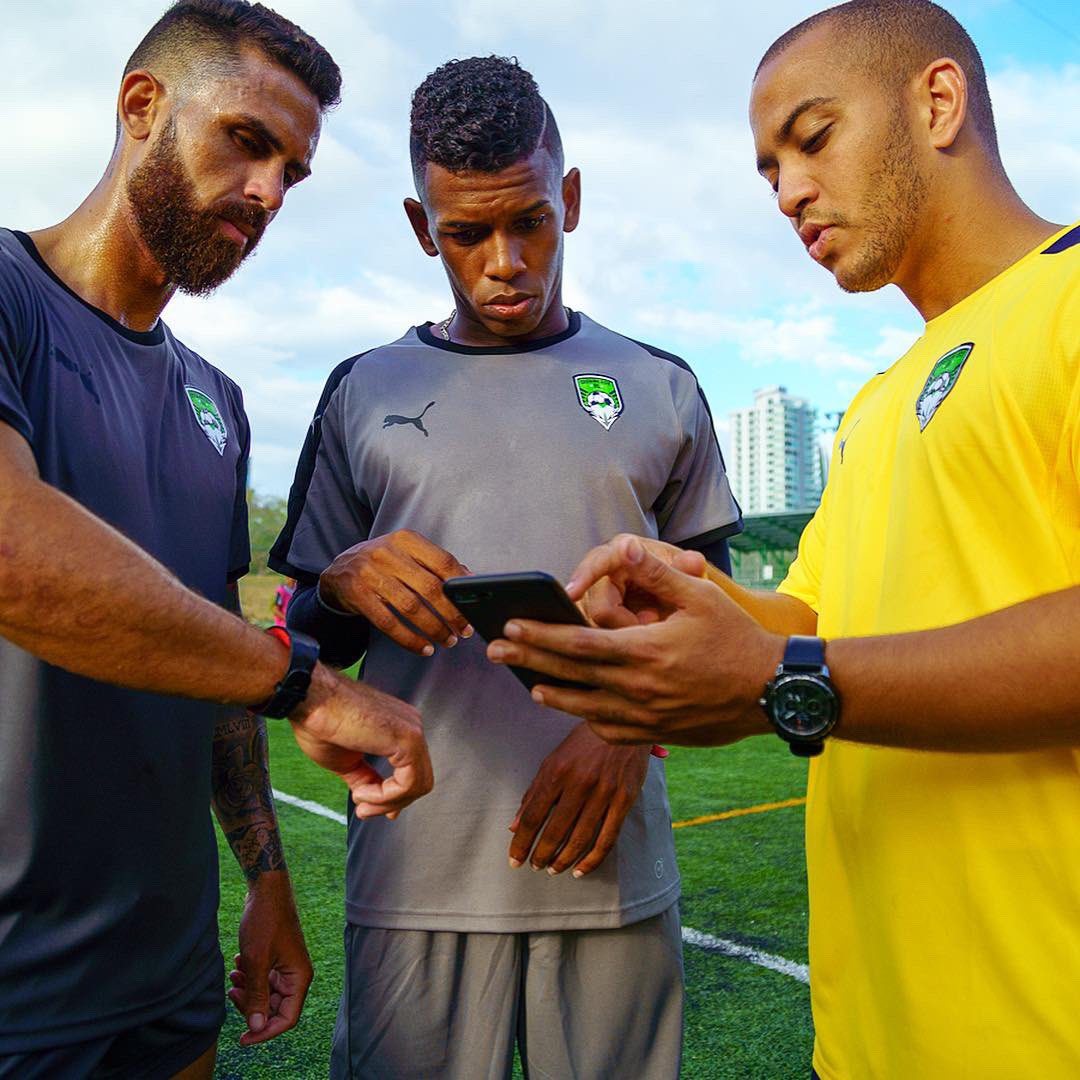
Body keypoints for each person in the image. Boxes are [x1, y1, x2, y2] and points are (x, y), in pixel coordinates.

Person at [486, 1, 1080, 1076]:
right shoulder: (875, 404)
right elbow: (808, 625)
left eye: (813, 138)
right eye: (768, 171)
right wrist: (676, 606)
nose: (790, 191)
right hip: (870, 1042)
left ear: (937, 102)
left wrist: (782, 677)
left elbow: (797, 667)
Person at [271, 56, 742, 1079]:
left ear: (568, 199)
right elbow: (305, 635)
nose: (503, 262)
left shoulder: (658, 387)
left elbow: (725, 624)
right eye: (466, 234)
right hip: (413, 874)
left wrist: (626, 727)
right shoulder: (361, 389)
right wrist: (342, 579)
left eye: (528, 221)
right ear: (418, 224)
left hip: (608, 863)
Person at [0, 3, 432, 1078]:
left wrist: (269, 885)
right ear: (142, 107)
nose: (270, 193)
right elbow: (13, 554)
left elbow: (207, 658)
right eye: (248, 140)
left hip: (167, 972)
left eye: (293, 169)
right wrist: (309, 684)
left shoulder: (219, 403)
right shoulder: (7, 297)